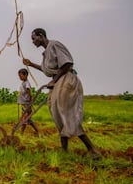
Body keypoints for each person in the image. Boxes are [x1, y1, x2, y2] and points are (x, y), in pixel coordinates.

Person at [22, 28, 101, 159]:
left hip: (66, 80)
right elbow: (46, 70)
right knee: (57, 114)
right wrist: (30, 64)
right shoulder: (45, 53)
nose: (33, 41)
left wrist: (55, 80)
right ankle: (64, 150)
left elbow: (68, 64)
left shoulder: (54, 45)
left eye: (34, 38)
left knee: (67, 114)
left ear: (41, 36)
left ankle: (92, 149)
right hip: (58, 81)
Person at [17, 68, 39, 136]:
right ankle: (37, 131)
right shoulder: (23, 83)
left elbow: (29, 92)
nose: (20, 77)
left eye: (21, 76)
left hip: (27, 103)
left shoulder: (26, 83)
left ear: (26, 75)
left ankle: (21, 133)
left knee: (25, 119)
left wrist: (30, 102)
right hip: (24, 103)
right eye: (19, 76)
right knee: (28, 119)